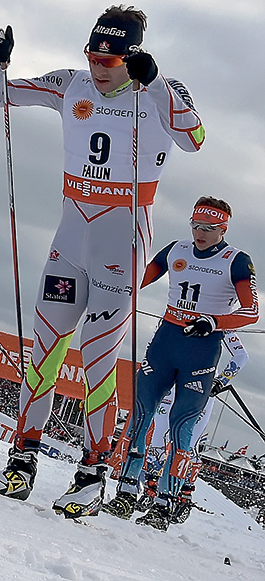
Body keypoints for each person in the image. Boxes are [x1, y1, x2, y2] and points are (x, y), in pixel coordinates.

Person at [0, 6, 205, 518]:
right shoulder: (70, 84)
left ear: (134, 56)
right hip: (70, 238)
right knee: (45, 353)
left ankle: (92, 474)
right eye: (94, 54)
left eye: (113, 57)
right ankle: (21, 463)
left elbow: (195, 139)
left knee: (98, 360)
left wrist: (158, 84)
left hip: (121, 245)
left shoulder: (160, 89)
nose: (100, 66)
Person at [103, 197, 257, 530]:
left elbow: (252, 311)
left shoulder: (237, 261)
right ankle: (127, 491)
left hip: (200, 353)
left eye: (209, 229)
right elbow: (138, 278)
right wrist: (106, 283)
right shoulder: (177, 249)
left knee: (181, 427)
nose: (200, 234)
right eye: (196, 226)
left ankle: (164, 503)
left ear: (223, 229)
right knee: (140, 417)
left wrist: (213, 322)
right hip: (165, 344)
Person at [135, 330, 248, 522]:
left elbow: (241, 356)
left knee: (187, 443)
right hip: (169, 383)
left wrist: (220, 381)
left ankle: (183, 496)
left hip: (199, 389)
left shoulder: (220, 321)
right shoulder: (176, 311)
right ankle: (151, 489)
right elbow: (154, 342)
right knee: (158, 439)